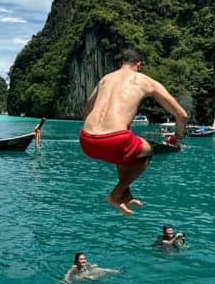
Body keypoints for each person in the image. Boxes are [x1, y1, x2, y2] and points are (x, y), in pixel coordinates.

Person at [79, 47, 188, 215]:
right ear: (139, 64)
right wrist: (178, 137)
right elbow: (182, 115)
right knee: (148, 151)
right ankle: (116, 194)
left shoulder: (105, 79)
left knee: (126, 151)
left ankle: (125, 195)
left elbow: (86, 111)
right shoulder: (145, 81)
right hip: (115, 139)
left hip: (86, 140)